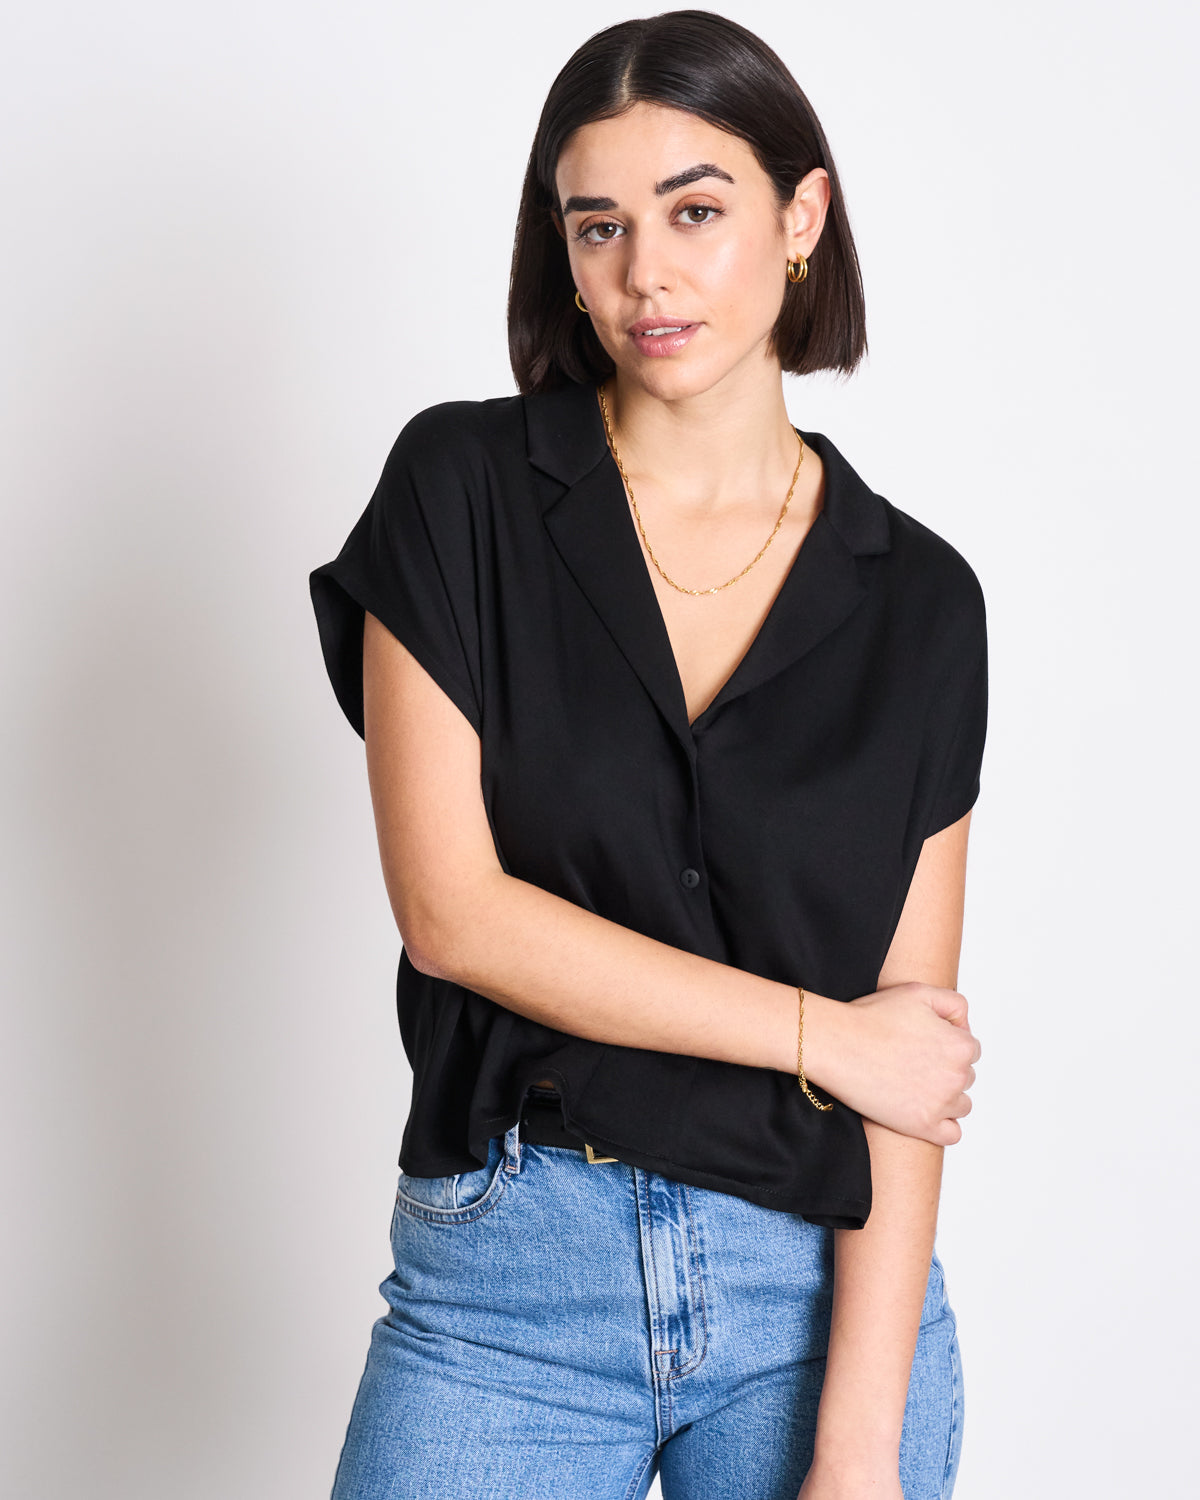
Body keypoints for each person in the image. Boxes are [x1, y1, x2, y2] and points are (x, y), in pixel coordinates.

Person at [309, 11, 987, 1499]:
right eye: (598, 225)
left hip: (812, 1300)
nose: (644, 275)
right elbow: (453, 913)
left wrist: (859, 1449)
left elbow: (911, 1051)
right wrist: (819, 1036)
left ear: (801, 217)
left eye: (695, 211)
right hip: (508, 1296)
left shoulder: (925, 604)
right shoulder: (460, 491)